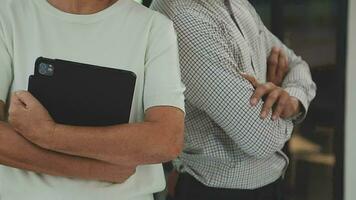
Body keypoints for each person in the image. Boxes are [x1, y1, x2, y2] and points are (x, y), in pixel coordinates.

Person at [0, 0, 185, 200]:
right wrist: (91, 169)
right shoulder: (8, 14)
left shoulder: (153, 28)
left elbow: (166, 140)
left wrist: (48, 133)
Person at [150, 0, 317, 199]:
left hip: (266, 186)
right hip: (216, 192)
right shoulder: (184, 16)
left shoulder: (235, 3)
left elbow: (297, 64)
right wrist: (286, 110)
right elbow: (261, 139)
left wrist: (292, 102)